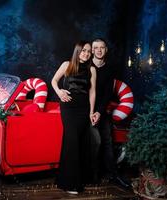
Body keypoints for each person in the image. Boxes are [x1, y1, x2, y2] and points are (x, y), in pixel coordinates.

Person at [51, 41, 97, 194]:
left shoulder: (92, 69)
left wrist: (91, 112)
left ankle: (80, 178)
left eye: (89, 51)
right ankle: (70, 183)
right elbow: (54, 81)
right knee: (71, 141)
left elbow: (92, 92)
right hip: (69, 109)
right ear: (78, 51)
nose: (86, 53)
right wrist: (59, 92)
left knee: (82, 141)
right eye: (83, 50)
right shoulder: (67, 65)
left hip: (83, 109)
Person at [90, 38, 130, 188]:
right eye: (96, 48)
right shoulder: (86, 65)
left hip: (102, 110)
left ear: (106, 50)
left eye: (102, 48)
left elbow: (107, 94)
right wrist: (91, 112)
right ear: (92, 50)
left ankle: (113, 175)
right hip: (86, 110)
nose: (99, 50)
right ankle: (92, 174)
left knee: (107, 141)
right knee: (93, 142)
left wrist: (99, 112)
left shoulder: (109, 69)